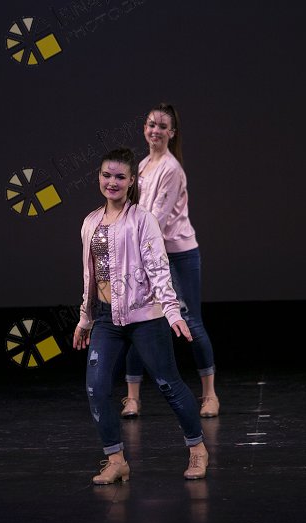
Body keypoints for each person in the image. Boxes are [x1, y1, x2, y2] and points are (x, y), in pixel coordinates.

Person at [73, 147, 210, 484]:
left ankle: (197, 449)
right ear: (98, 177)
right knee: (96, 388)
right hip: (106, 319)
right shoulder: (90, 222)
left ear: (131, 180)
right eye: (107, 175)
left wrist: (173, 313)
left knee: (168, 384)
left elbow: (158, 269)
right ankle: (116, 460)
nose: (112, 182)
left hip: (145, 316)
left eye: (120, 177)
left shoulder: (142, 220)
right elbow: (90, 277)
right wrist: (85, 319)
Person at [119, 102, 220, 420]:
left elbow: (156, 220)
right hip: (146, 251)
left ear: (172, 133)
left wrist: (134, 248)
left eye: (162, 126)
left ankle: (210, 395)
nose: (156, 131)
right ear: (144, 128)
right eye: (151, 124)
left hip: (177, 254)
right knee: (137, 321)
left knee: (190, 321)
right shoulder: (143, 165)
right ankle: (132, 398)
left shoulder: (171, 169)